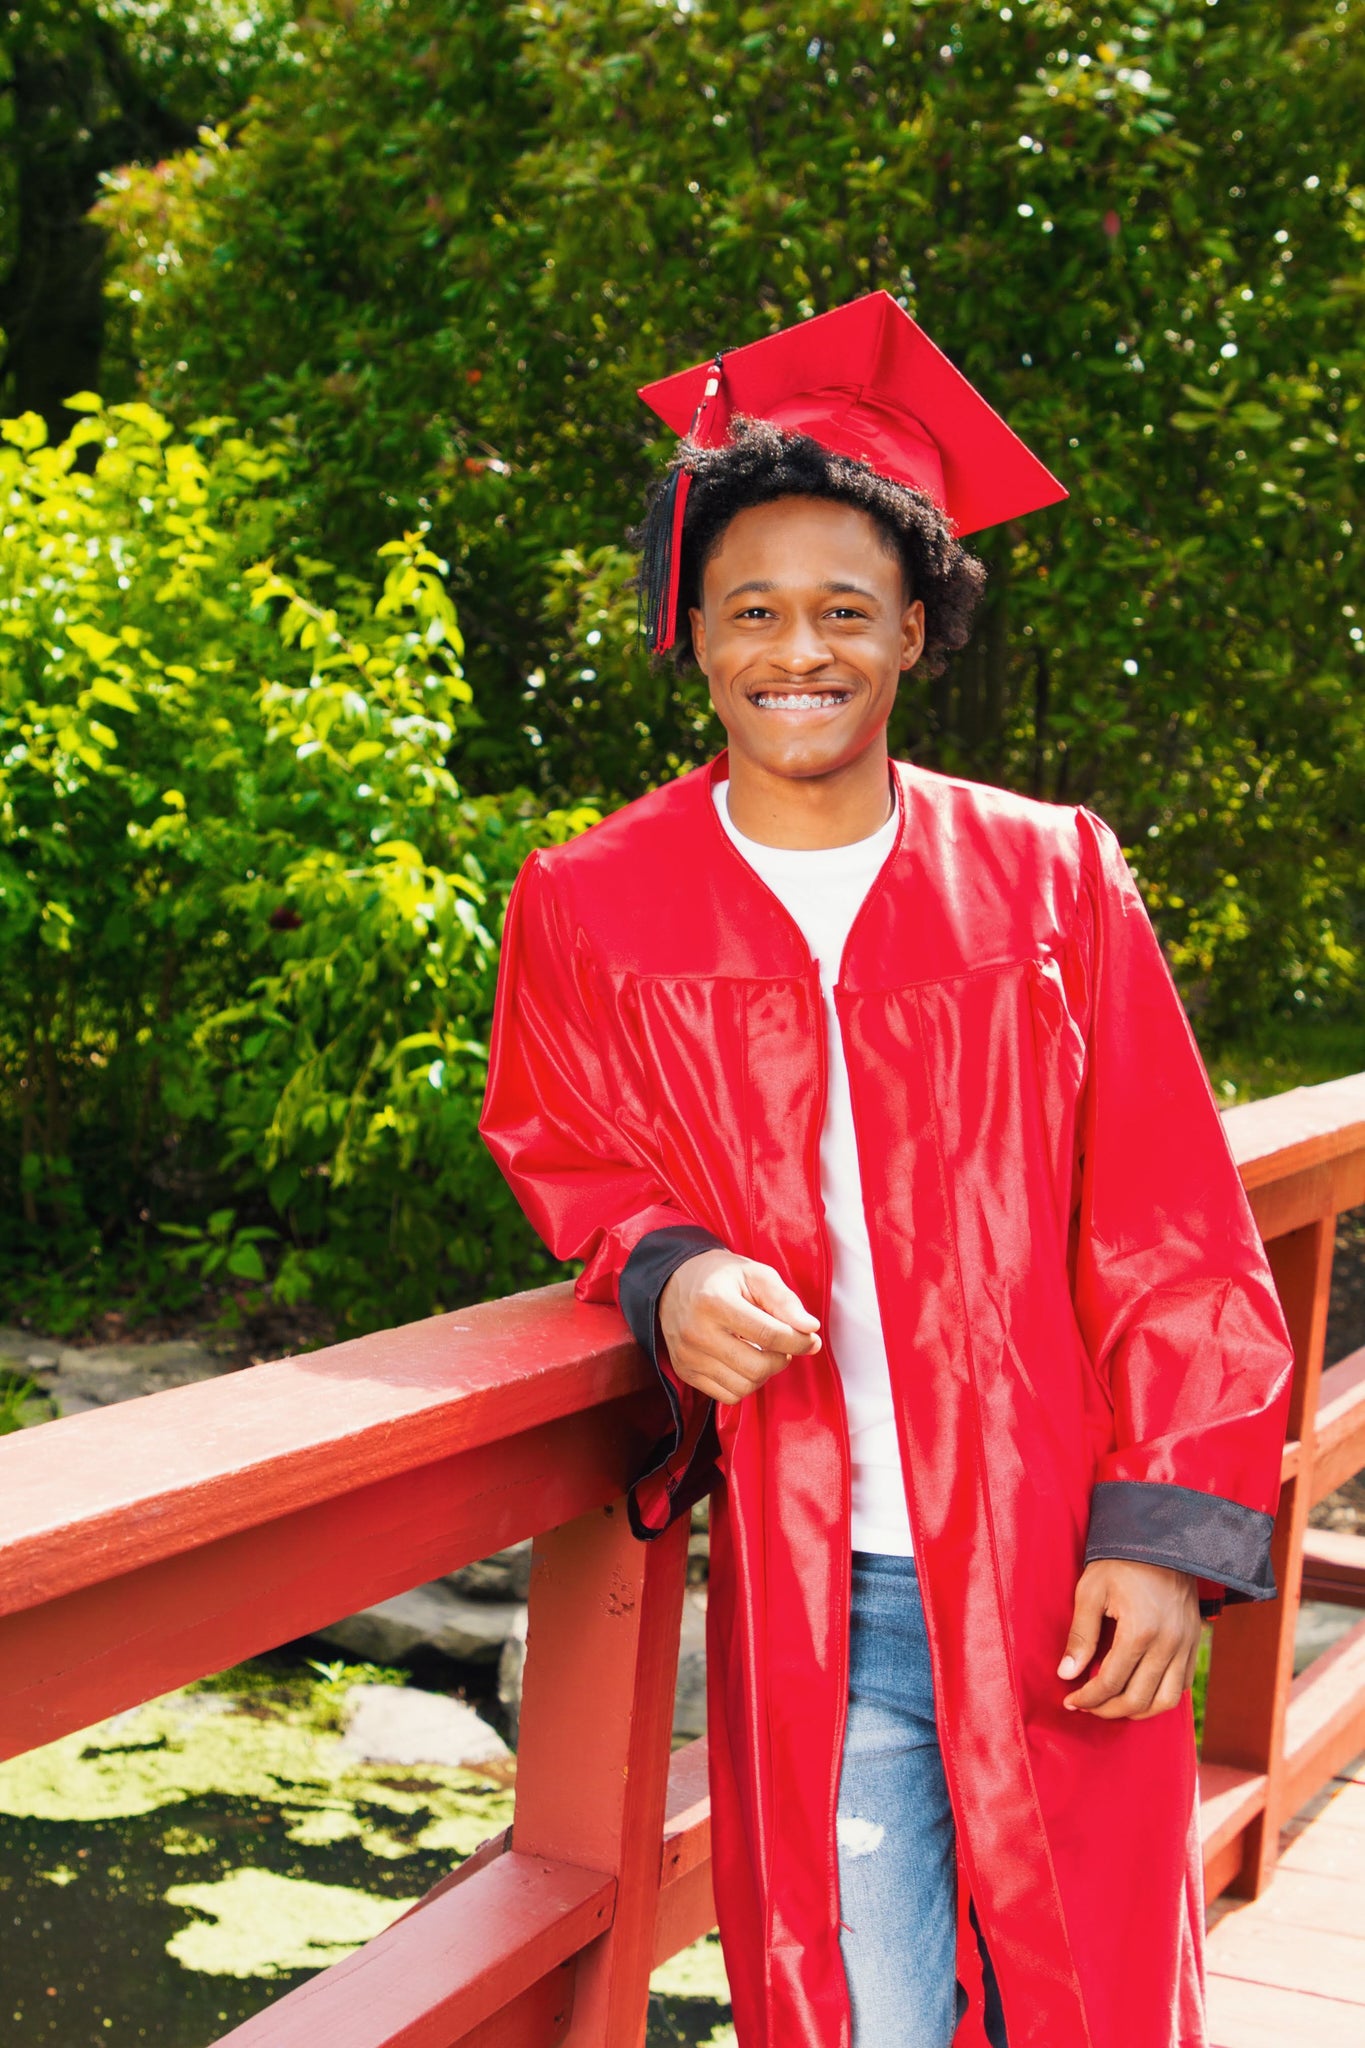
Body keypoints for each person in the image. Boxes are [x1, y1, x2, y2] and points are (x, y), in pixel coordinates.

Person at [479, 293, 1294, 2048]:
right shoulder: (590, 899)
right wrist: (665, 1266)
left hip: (1062, 1565)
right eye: (752, 610)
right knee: (864, 2012)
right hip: (817, 1579)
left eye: (845, 609)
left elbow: (1171, 1228)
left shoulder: (1050, 877)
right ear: (693, 632)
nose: (800, 650)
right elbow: (566, 1144)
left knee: (1082, 2007)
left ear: (915, 630)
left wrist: (1161, 1533)